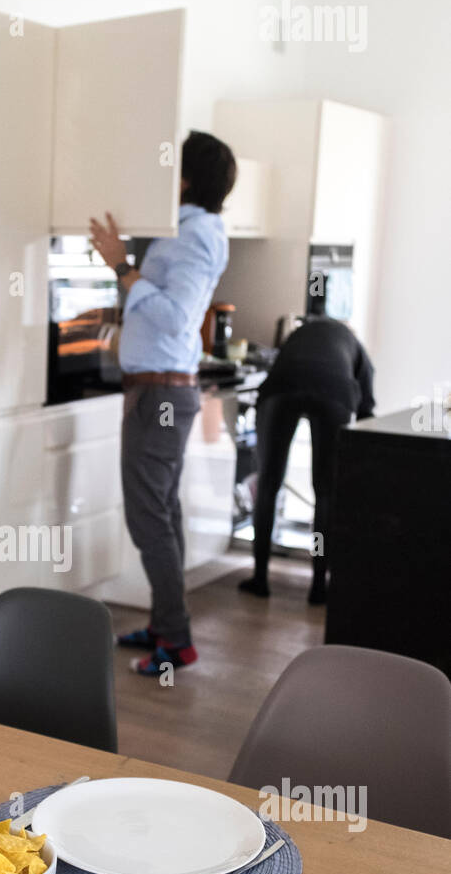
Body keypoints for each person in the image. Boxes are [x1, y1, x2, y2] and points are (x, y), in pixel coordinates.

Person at [89, 129, 236, 676]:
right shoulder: (191, 231)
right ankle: (164, 626)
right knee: (162, 514)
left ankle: (176, 642)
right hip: (158, 391)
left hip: (161, 395)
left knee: (148, 517)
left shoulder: (194, 237)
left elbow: (177, 316)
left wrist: (123, 268)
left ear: (186, 178)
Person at [238, 294, 375, 606]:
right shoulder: (353, 344)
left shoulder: (302, 332)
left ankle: (260, 579)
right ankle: (318, 586)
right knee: (325, 492)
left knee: (269, 483)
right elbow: (367, 409)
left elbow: (276, 369)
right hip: (333, 393)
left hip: (282, 387)